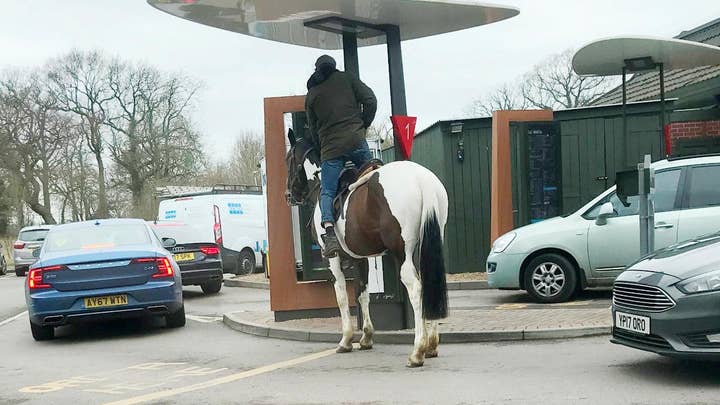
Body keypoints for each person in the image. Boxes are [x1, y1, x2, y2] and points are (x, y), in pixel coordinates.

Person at [305, 55, 377, 258]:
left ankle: (329, 234)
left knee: (327, 191)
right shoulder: (347, 79)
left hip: (331, 151)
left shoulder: (312, 95)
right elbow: (370, 100)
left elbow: (313, 128)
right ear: (334, 67)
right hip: (356, 141)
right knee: (373, 178)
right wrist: (363, 124)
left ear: (317, 69)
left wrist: (322, 148)